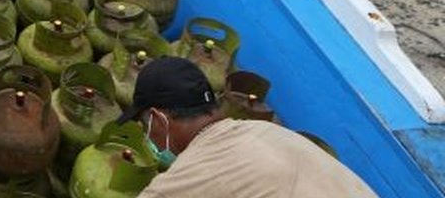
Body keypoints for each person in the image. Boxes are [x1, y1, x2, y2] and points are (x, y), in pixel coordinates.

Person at [122, 56, 377, 197]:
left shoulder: (189, 177)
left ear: (158, 119)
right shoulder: (273, 132)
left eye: (145, 125)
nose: (149, 137)